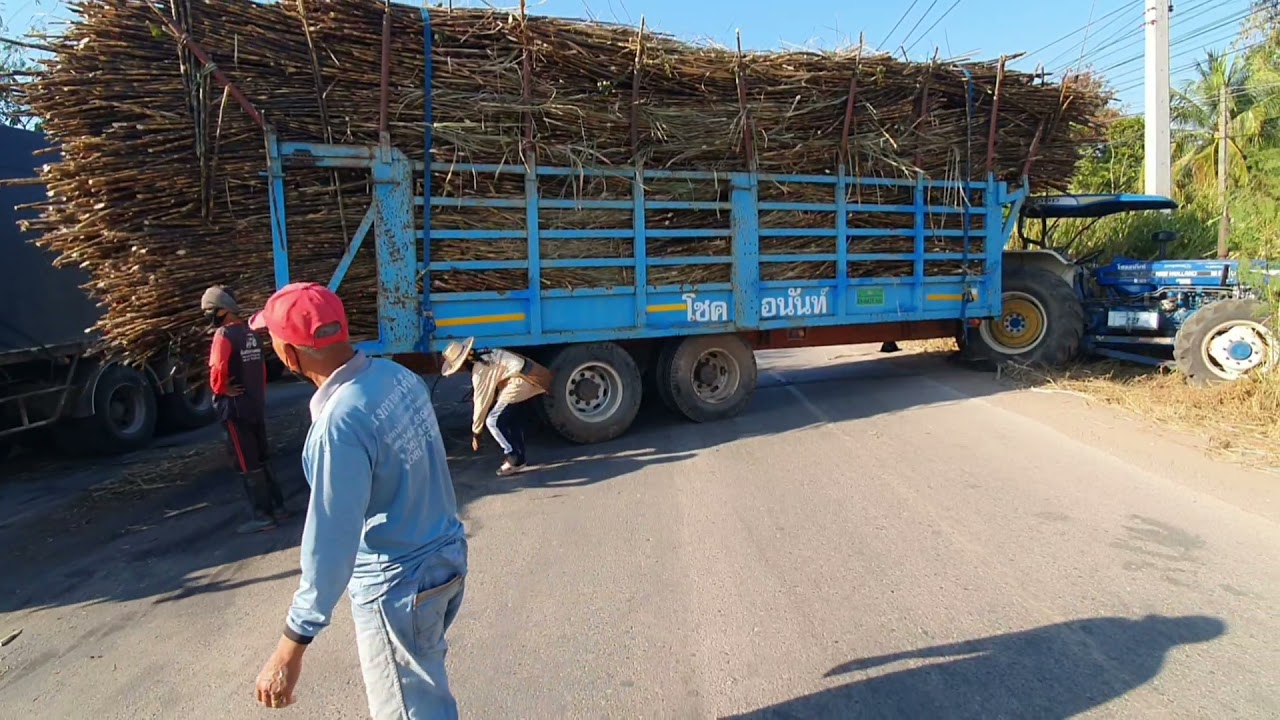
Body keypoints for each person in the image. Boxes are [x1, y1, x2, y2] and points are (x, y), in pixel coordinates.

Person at [249, 282, 468, 719]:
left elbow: (331, 543)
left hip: (397, 588)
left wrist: (291, 647)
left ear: (290, 354)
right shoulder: (396, 378)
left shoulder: (339, 425)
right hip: (443, 562)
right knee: (427, 698)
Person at [201, 285, 287, 534]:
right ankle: (279, 507)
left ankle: (261, 515)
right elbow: (260, 372)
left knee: (245, 461)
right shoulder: (251, 334)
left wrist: (220, 389)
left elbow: (217, 368)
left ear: (222, 311)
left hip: (235, 410)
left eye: (211, 311)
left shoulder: (223, 335)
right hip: (254, 405)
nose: (209, 316)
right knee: (263, 456)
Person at [439, 337, 552, 476]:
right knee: (511, 420)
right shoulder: (485, 353)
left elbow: (481, 403)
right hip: (531, 374)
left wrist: (476, 432)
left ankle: (513, 457)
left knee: (494, 421)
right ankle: (520, 458)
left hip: (522, 381)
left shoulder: (479, 370)